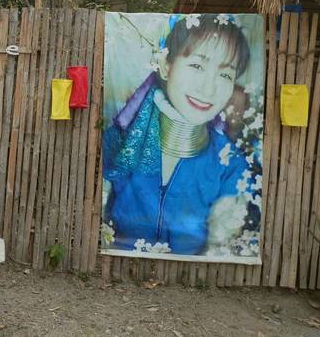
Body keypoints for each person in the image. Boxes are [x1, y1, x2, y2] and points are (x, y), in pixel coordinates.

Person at [102, 14, 255, 256]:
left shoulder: (230, 164)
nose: (208, 88)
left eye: (225, 74)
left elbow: (220, 245)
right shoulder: (120, 140)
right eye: (196, 65)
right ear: (165, 66)